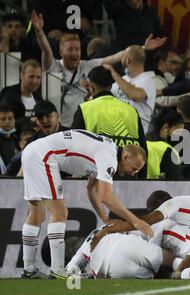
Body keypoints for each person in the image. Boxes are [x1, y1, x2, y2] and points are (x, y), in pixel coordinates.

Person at [20, 130, 151, 279]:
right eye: (134, 168)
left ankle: (29, 269)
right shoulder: (109, 157)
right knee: (60, 212)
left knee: (36, 214)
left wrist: (105, 218)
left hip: (32, 151)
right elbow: (106, 196)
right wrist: (135, 220)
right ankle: (57, 270)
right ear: (126, 157)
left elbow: (93, 190)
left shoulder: (107, 151)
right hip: (44, 156)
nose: (133, 173)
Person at [30, 10, 165, 127]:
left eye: (77, 49)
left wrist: (143, 48)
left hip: (79, 126)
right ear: (61, 52)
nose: (75, 53)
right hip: (55, 126)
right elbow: (46, 51)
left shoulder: (86, 66)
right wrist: (39, 32)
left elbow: (114, 57)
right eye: (70, 49)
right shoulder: (54, 66)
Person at [71, 66, 148, 178]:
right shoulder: (131, 110)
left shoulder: (85, 109)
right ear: (111, 86)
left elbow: (73, 147)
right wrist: (142, 182)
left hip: (97, 180)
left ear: (91, 86)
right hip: (129, 181)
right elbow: (143, 150)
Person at [109, 45, 159, 135]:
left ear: (128, 59)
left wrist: (113, 73)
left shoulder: (147, 81)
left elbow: (135, 95)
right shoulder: (122, 79)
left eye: (123, 55)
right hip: (115, 132)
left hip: (135, 137)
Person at [0, 59, 43, 125]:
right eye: (31, 76)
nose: (35, 81)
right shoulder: (9, 95)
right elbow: (4, 123)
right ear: (21, 76)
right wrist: (29, 120)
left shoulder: (38, 98)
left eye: (38, 77)